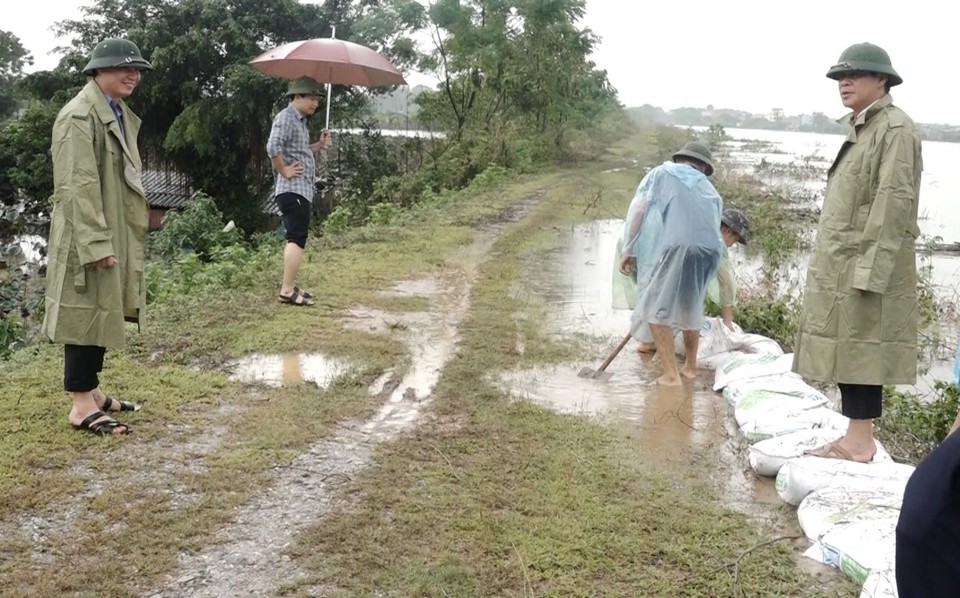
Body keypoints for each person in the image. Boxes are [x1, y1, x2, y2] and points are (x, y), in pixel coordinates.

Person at [793, 42, 922, 462]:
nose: (843, 83)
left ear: (881, 80)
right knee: (850, 347)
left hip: (865, 262)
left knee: (862, 348)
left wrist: (870, 270)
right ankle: (855, 436)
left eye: (854, 75)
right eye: (839, 77)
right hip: (844, 260)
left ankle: (860, 442)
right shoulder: (863, 127)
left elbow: (892, 204)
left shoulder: (895, 130)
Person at [41, 38, 155, 435]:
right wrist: (96, 242)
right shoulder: (78, 116)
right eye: (124, 68)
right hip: (86, 232)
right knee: (84, 312)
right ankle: (79, 405)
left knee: (104, 307)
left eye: (137, 69)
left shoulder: (114, 110)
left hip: (110, 227)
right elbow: (77, 185)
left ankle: (93, 392)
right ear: (98, 71)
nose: (133, 75)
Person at [618, 141, 724, 385]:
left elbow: (640, 209)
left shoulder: (661, 173)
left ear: (681, 160)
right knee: (691, 306)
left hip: (679, 247)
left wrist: (629, 248)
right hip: (710, 252)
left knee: (655, 310)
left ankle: (670, 376)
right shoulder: (711, 191)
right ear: (703, 167)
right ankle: (690, 368)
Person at [635, 208, 750, 353]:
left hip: (662, 277)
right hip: (679, 285)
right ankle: (661, 364)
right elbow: (726, 284)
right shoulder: (718, 243)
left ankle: (650, 347)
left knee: (658, 318)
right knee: (679, 321)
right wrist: (728, 323)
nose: (733, 244)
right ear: (728, 231)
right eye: (735, 240)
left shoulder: (699, 229)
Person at [266, 76, 333, 307]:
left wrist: (319, 144)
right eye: (312, 98)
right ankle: (286, 290)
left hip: (301, 189)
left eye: (317, 99)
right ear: (297, 97)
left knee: (297, 236)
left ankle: (290, 285)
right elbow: (272, 147)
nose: (315, 103)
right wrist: (284, 170)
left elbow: (302, 151)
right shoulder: (285, 117)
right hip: (292, 189)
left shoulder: (300, 122)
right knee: (296, 238)